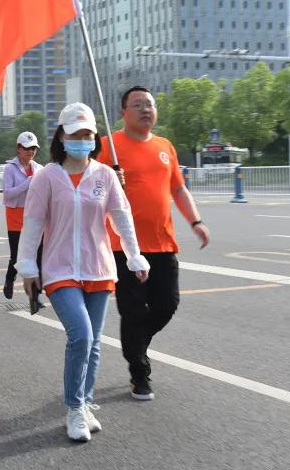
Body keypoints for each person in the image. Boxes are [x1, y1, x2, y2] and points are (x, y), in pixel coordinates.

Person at [18, 103, 150, 442]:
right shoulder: (47, 177)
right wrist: (28, 267)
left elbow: (122, 217)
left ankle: (86, 402)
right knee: (81, 335)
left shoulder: (104, 175)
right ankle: (74, 407)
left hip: (98, 267)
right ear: (62, 137)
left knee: (93, 345)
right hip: (59, 268)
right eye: (76, 134)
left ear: (95, 138)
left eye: (88, 134)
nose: (82, 139)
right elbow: (32, 225)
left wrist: (134, 256)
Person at [101, 86, 211, 402]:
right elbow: (87, 186)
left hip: (163, 243)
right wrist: (109, 177)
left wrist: (196, 221)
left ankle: (137, 342)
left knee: (167, 304)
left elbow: (178, 189)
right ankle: (139, 374)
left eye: (149, 104)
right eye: (137, 105)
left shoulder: (165, 146)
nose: (145, 109)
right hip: (124, 246)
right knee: (133, 311)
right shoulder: (109, 147)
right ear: (123, 112)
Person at [2, 131, 43, 299]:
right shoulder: (9, 168)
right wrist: (27, 183)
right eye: (26, 148)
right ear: (18, 148)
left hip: (34, 215)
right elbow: (7, 194)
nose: (30, 152)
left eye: (33, 148)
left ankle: (35, 295)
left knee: (38, 254)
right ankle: (9, 279)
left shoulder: (39, 168)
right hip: (15, 215)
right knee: (17, 256)